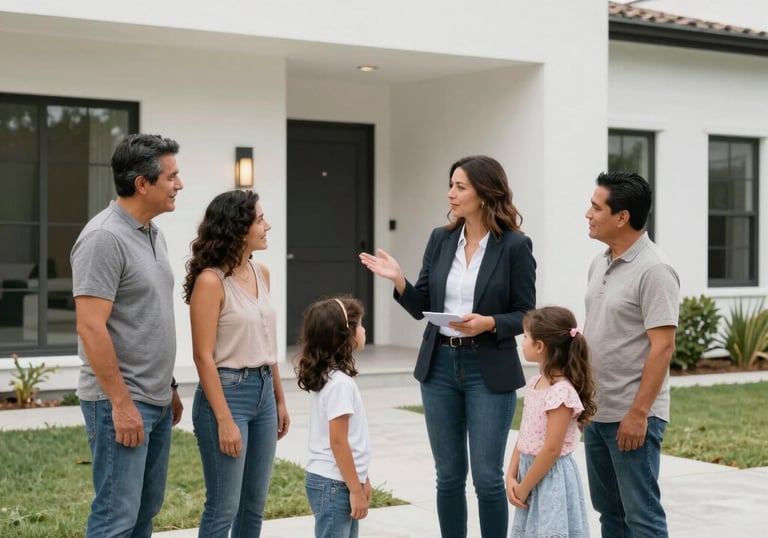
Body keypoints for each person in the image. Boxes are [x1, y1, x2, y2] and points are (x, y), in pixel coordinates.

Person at [360, 155, 536, 537]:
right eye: (451, 185)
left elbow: (526, 314)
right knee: (449, 476)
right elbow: (422, 305)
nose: (451, 194)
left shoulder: (515, 247)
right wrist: (398, 280)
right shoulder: (441, 239)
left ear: (485, 193)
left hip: (487, 369)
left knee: (487, 477)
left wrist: (489, 323)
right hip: (439, 366)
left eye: (460, 187)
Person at [70, 133, 184, 537]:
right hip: (119, 400)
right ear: (142, 184)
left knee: (144, 510)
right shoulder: (104, 238)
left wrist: (167, 385)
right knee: (116, 515)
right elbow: (90, 326)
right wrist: (121, 404)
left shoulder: (153, 233)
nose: (179, 185)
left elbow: (147, 315)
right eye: (171, 177)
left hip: (152, 396)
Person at [183, 189, 291, 537]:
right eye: (259, 220)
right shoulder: (211, 281)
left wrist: (279, 397)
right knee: (223, 508)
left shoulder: (262, 273)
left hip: (263, 393)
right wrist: (224, 420)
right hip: (227, 396)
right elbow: (202, 356)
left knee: (253, 507)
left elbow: (266, 342)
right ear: (238, 228)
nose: (267, 225)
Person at [583, 171, 679, 537]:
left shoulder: (655, 269)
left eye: (596, 207)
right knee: (610, 513)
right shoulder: (600, 261)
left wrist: (639, 414)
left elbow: (663, 346)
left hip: (633, 416)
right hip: (597, 411)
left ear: (622, 217)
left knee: (642, 517)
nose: (587, 214)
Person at [506, 306, 595, 538]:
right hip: (529, 472)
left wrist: (524, 487)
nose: (521, 342)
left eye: (525, 337)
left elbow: (552, 448)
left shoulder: (561, 393)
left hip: (550, 478)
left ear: (540, 346)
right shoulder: (536, 383)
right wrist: (511, 475)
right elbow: (525, 433)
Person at [294, 295, 372, 538]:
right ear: (344, 336)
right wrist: (355, 490)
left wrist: (362, 479)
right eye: (359, 325)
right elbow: (338, 442)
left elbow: (352, 442)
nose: (364, 329)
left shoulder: (332, 377)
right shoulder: (340, 385)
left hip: (338, 481)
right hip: (335, 485)